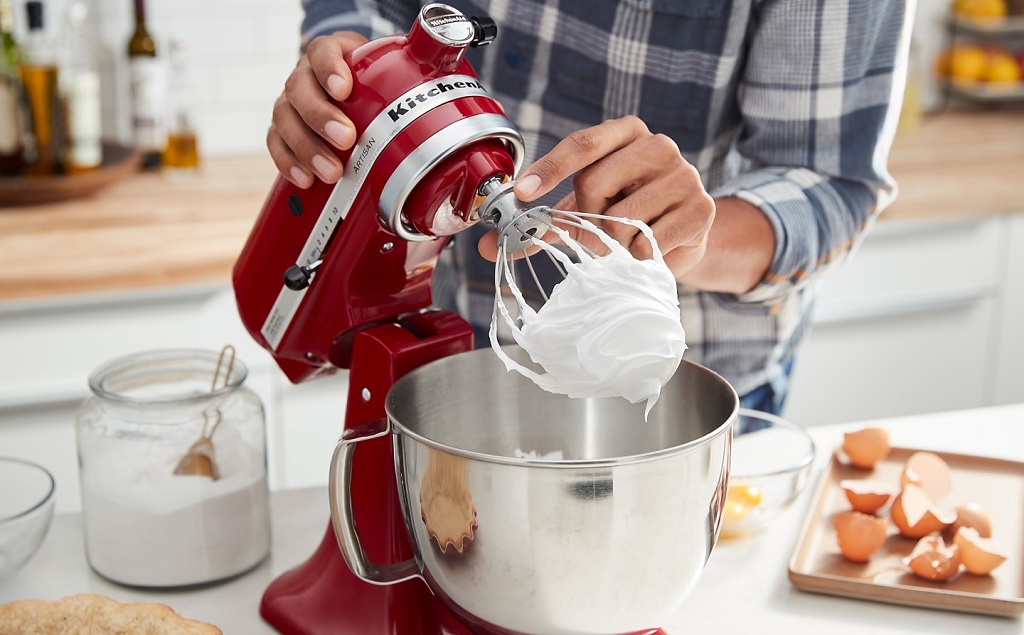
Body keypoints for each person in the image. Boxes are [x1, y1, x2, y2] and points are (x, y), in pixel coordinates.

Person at [267, 0, 914, 416]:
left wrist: (687, 237)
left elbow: (829, 177)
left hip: (675, 402)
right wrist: (349, 72)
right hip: (447, 363)